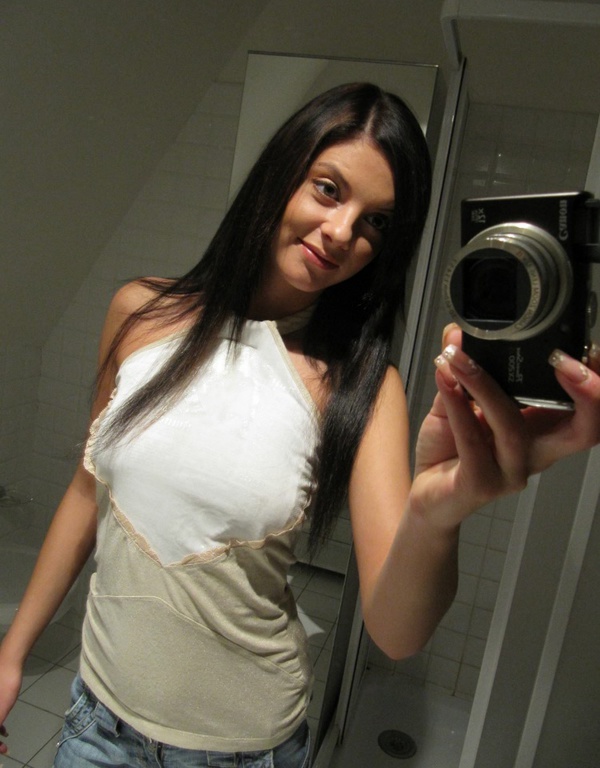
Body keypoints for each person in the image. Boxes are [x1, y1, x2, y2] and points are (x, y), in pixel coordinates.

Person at [1, 83, 599, 767]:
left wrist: (438, 513)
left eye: (377, 222)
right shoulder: (139, 314)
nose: (343, 232)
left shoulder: (361, 387)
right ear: (279, 177)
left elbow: (396, 633)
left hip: (241, 751)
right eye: (328, 189)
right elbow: (88, 491)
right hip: (97, 729)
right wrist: (11, 654)